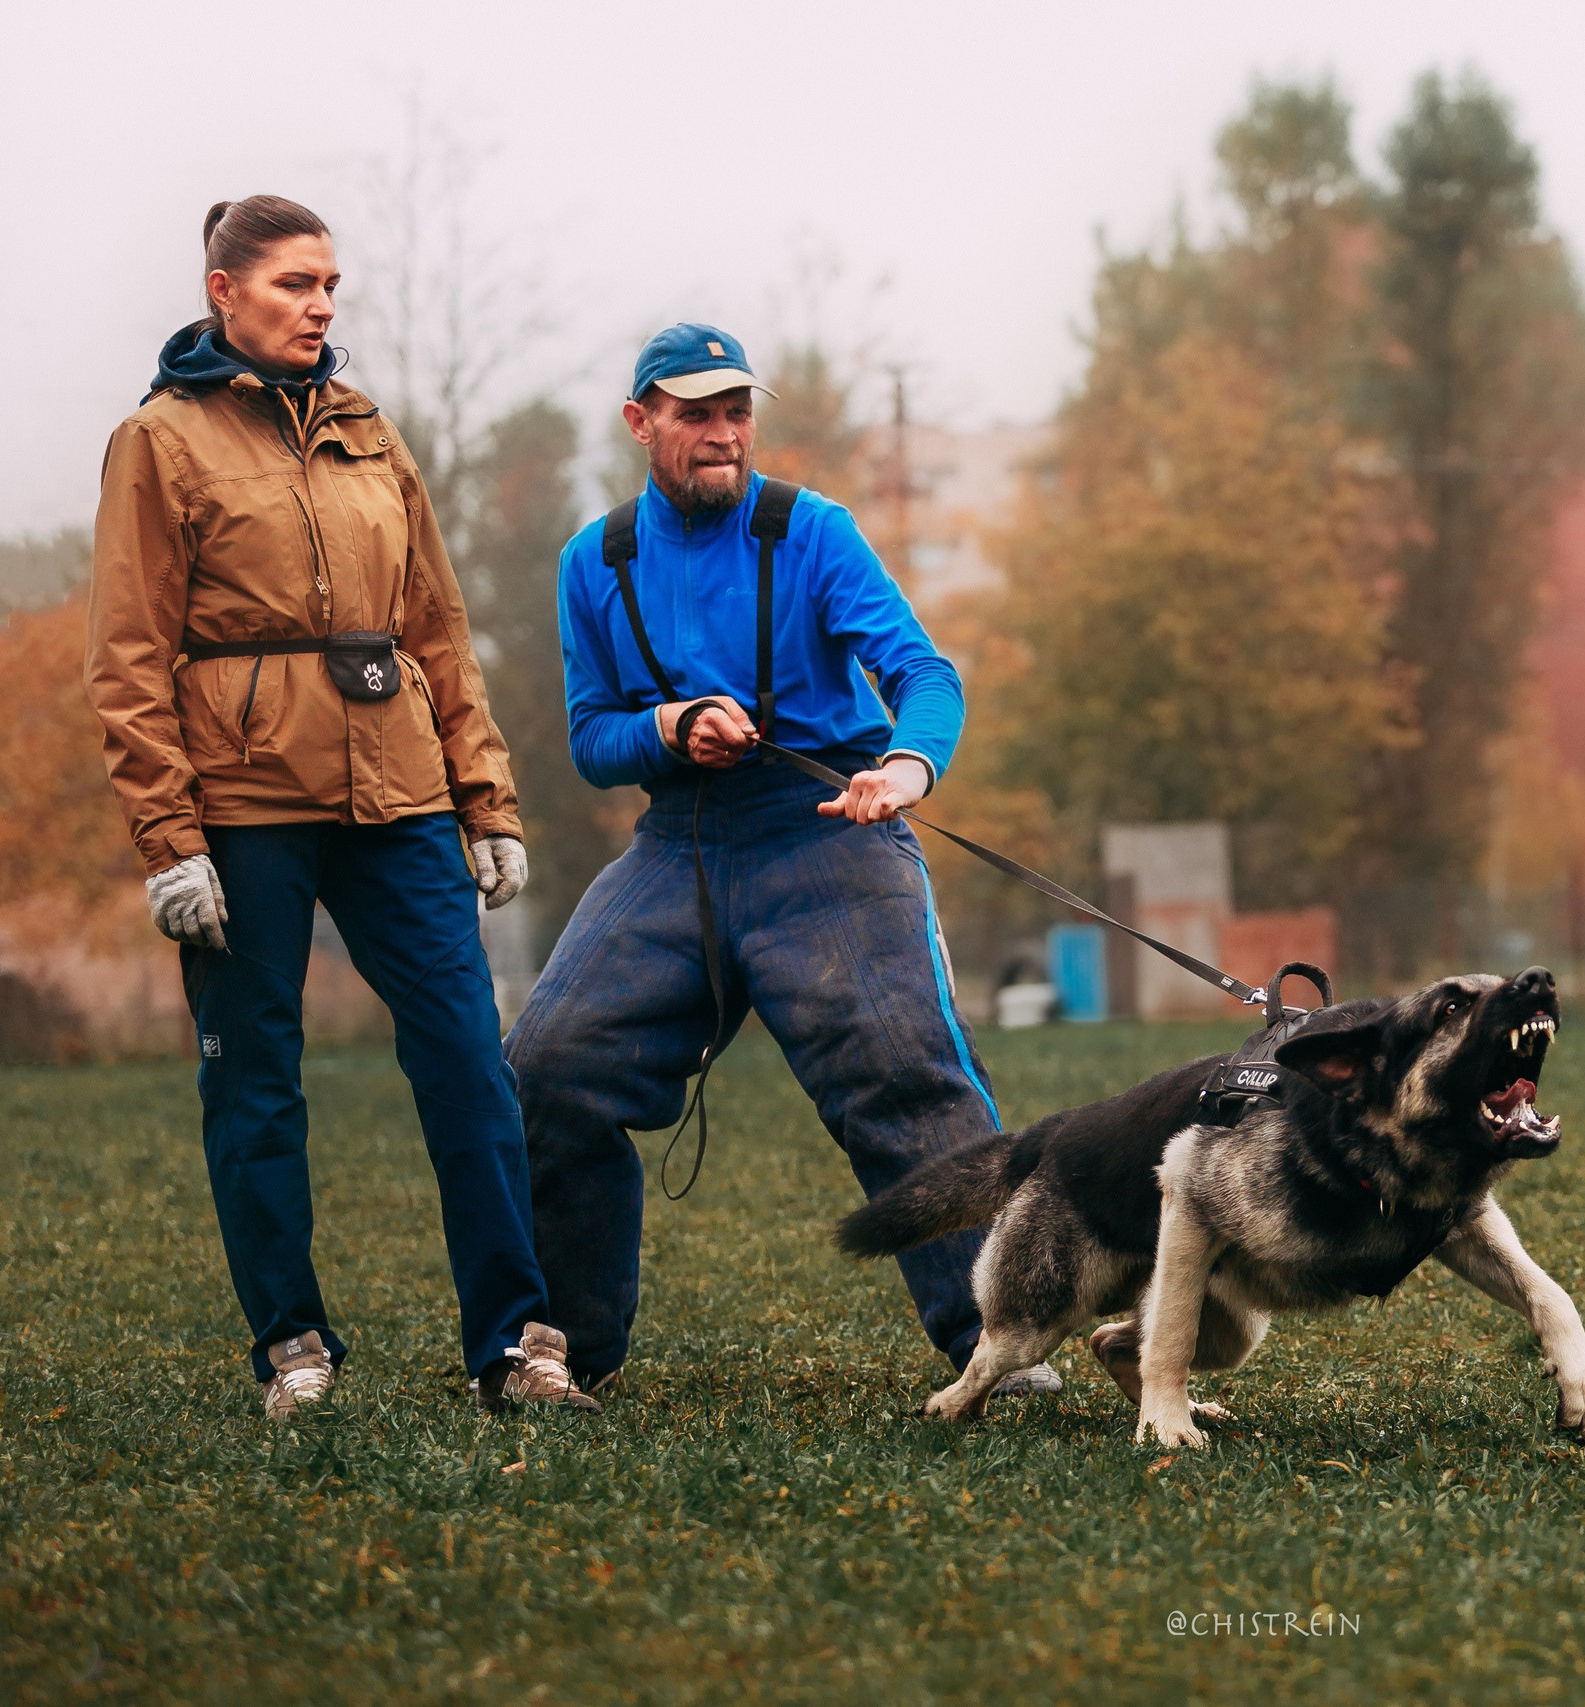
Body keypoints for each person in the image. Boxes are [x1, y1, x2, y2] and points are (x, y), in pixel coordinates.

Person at [85, 195, 597, 1419]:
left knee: (473, 1063)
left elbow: (437, 628)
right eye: (293, 284)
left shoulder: (369, 433)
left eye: (329, 286)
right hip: (245, 806)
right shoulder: (157, 442)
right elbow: (127, 656)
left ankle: (516, 1343)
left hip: (400, 794)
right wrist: (169, 840)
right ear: (224, 291)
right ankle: (293, 1346)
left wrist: (486, 797)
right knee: (254, 1077)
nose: (320, 305)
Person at [508, 324, 1054, 1400]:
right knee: (543, 1065)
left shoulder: (813, 532)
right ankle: (566, 1347)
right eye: (694, 413)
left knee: (908, 1075)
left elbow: (923, 671)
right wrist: (668, 726)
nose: (721, 434)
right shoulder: (595, 561)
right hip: (679, 846)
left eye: (735, 412)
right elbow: (588, 739)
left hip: (829, 825)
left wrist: (905, 768)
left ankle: (1000, 1346)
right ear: (641, 422)